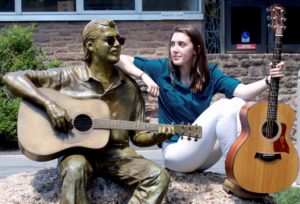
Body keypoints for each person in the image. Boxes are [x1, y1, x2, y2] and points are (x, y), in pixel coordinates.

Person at [3, 19, 172, 204]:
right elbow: (12, 78)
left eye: (120, 40)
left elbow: (139, 136)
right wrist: (48, 105)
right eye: (109, 40)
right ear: (90, 45)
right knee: (75, 168)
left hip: (117, 154)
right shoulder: (67, 77)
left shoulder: (129, 88)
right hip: (78, 152)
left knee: (159, 176)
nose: (117, 44)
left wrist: (158, 136)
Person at [116, 25, 285, 199]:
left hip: (202, 152)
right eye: (172, 44)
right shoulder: (162, 69)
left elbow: (242, 91)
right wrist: (144, 76)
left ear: (196, 50)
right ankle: (239, 177)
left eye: (182, 44)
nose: (174, 49)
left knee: (237, 104)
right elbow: (119, 58)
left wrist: (268, 80)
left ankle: (247, 171)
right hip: (176, 153)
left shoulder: (209, 73)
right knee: (224, 106)